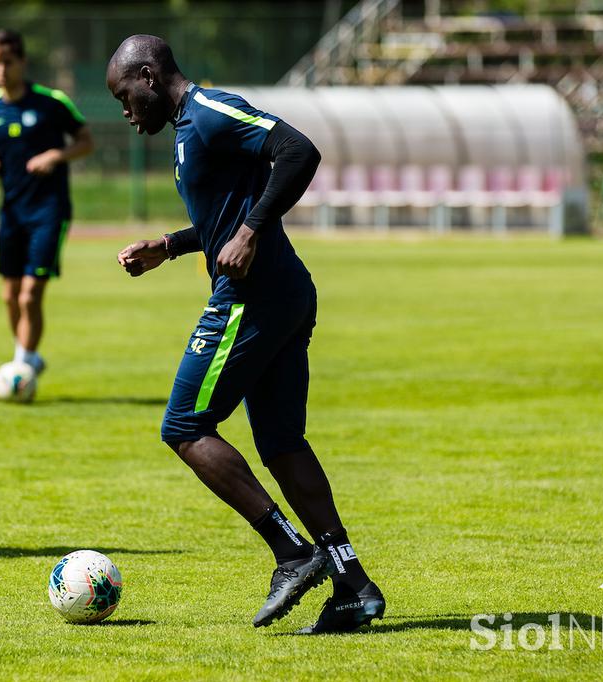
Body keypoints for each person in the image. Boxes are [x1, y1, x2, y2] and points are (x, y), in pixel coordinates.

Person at [107, 35, 385, 634]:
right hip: (282, 294)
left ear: (149, 76)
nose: (124, 111)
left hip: (254, 297)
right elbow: (222, 218)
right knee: (282, 442)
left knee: (183, 425)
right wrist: (172, 246)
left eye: (124, 95)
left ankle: (291, 552)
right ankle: (354, 586)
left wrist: (255, 229)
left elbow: (297, 150)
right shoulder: (187, 131)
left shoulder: (209, 113)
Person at [0, 29, 94, 394]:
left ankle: (20, 369)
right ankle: (25, 360)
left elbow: (86, 141)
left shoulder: (51, 103)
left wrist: (57, 155)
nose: (2, 69)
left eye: (9, 61)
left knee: (29, 295)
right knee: (9, 296)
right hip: (12, 213)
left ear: (22, 62)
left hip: (49, 211)